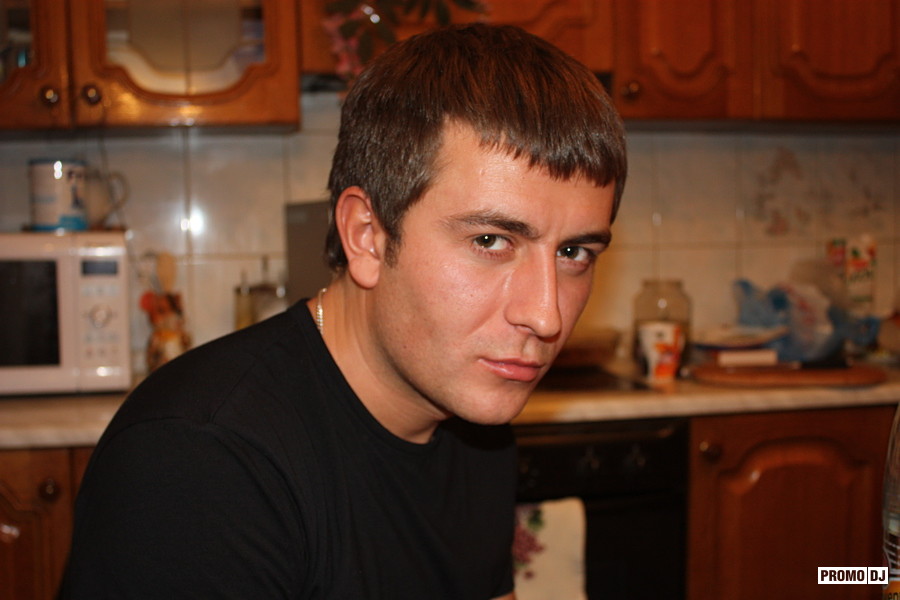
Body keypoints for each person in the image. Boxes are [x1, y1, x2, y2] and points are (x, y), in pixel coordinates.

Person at [60, 23, 627, 599]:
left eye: (574, 253)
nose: (547, 316)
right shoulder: (199, 463)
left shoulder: (476, 427)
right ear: (367, 236)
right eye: (490, 241)